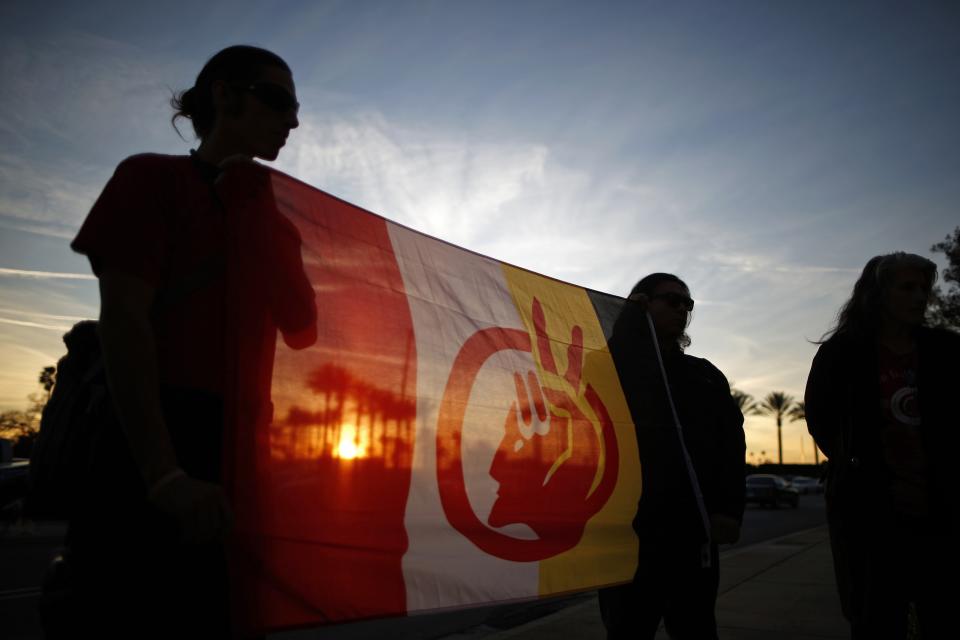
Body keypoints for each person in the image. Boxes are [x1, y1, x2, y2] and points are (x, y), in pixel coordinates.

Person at [62, 45, 316, 638]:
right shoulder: (152, 178)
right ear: (224, 97)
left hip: (237, 450)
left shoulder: (273, 220)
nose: (294, 121)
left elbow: (302, 331)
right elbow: (126, 322)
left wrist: (261, 219)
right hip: (153, 440)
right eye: (278, 100)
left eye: (296, 107)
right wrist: (163, 475)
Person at [805, 252, 959, 639]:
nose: (920, 296)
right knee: (875, 620)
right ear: (877, 294)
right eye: (907, 287)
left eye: (924, 288)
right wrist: (862, 468)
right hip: (870, 519)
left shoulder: (946, 351)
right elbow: (822, 423)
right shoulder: (841, 354)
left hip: (941, 516)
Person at [598, 273, 745, 640]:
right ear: (642, 302)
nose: (683, 309)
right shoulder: (609, 367)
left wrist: (728, 509)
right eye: (672, 300)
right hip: (629, 529)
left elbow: (731, 446)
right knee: (628, 627)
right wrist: (632, 321)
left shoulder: (705, 374)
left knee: (695, 626)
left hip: (693, 529)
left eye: (688, 303)